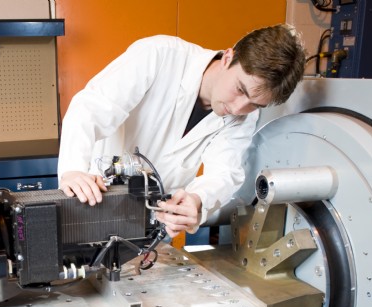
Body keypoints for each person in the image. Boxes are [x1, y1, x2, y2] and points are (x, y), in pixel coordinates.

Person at [57, 24, 306, 237]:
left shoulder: (245, 116)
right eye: (241, 89)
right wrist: (72, 169)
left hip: (155, 228)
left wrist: (196, 200)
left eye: (255, 104)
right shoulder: (160, 56)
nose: (238, 107)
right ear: (229, 58)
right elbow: (91, 108)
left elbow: (224, 172)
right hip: (98, 203)